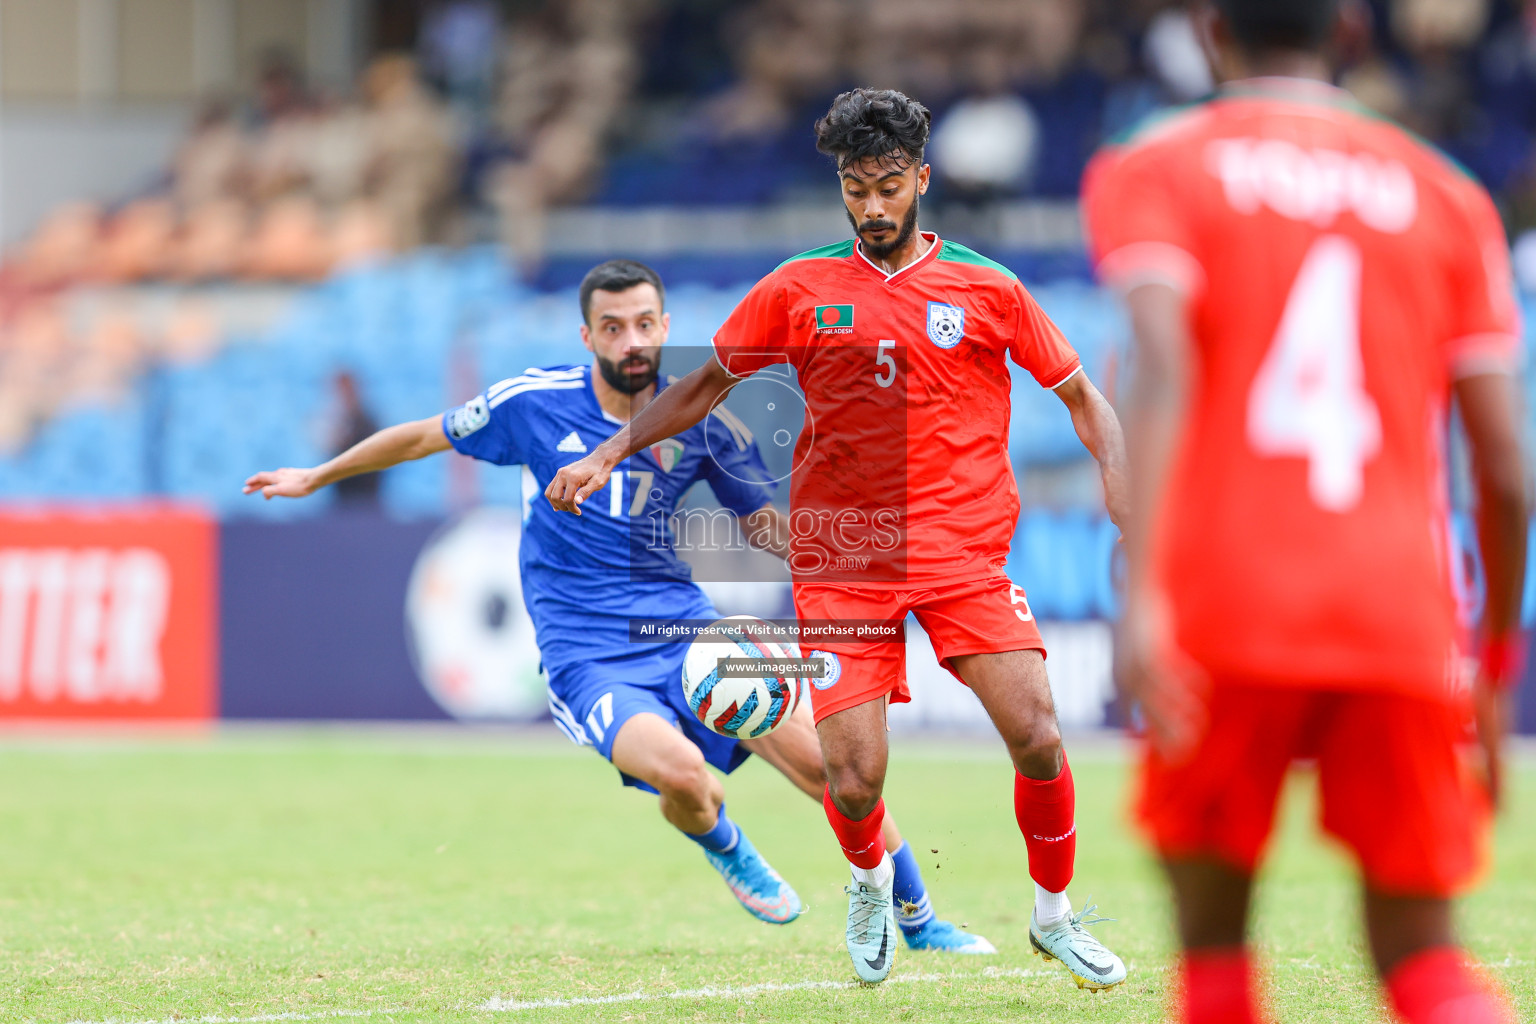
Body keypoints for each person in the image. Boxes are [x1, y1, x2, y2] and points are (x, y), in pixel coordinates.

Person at [546, 95, 1131, 988]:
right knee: (852, 780)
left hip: (962, 550)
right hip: (845, 556)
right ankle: (869, 883)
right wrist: (607, 452)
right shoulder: (797, 288)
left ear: (922, 181)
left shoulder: (989, 287)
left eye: (890, 186)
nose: (873, 208)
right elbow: (703, 384)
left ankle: (1053, 917)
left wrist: (1124, 494)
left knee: (1041, 737)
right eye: (856, 189)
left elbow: (1085, 399)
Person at [243, 259, 990, 953]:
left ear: (664, 327)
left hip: (684, 629)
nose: (630, 341)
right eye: (612, 327)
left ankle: (920, 921)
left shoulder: (704, 421)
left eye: (643, 324)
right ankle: (728, 846)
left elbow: (760, 524)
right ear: (587, 336)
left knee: (834, 771)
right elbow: (422, 437)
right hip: (586, 651)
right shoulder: (534, 405)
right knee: (691, 779)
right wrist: (318, 475)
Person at [1081, 2, 1528, 1022]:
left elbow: (1161, 362)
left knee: (1215, 967)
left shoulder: (1158, 167)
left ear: (1206, 31)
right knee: (1426, 964)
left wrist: (1142, 593)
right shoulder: (1447, 195)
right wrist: (1493, 669)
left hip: (1223, 605)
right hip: (1400, 617)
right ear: (1353, 35)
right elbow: (1505, 469)